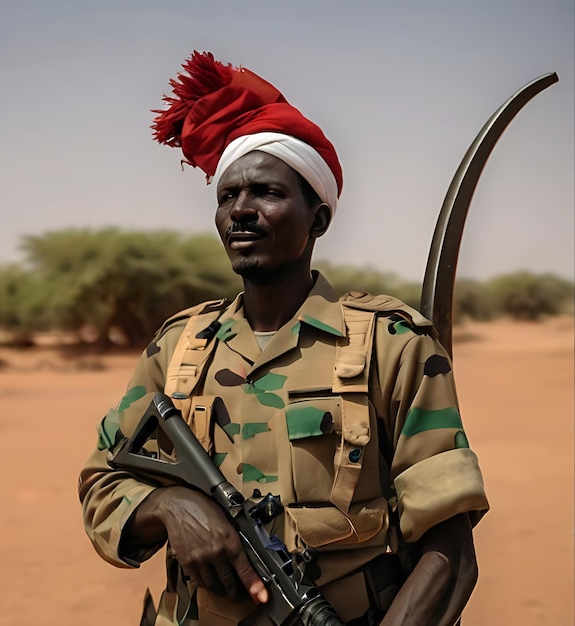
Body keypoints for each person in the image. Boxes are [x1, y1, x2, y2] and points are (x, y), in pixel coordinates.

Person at [79, 51, 489, 626]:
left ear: (317, 219)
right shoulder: (178, 349)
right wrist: (168, 505)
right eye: (227, 197)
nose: (241, 212)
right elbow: (103, 482)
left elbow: (449, 554)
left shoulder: (391, 345)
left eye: (267, 193)